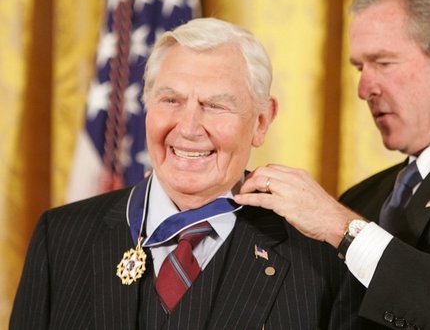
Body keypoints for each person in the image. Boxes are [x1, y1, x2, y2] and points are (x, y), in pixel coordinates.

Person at [10, 18, 353, 329]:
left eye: (215, 105)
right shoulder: (60, 239)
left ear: (261, 121)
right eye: (171, 100)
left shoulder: (318, 259)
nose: (188, 128)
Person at [236, 0, 430, 330]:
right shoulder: (364, 197)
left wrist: (344, 228)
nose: (364, 89)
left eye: (383, 63)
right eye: (359, 68)